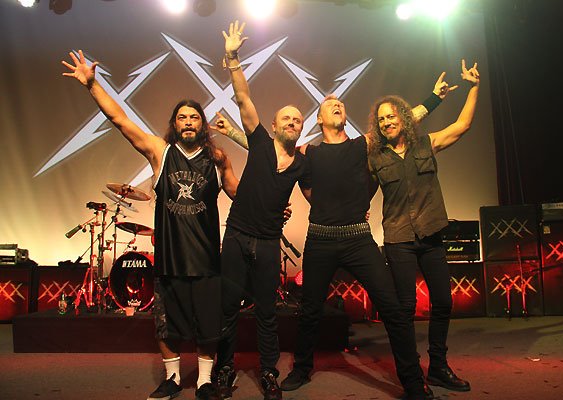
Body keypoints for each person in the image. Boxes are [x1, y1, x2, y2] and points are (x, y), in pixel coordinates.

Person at [62, 50, 238, 400]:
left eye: (194, 117)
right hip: (171, 260)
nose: (188, 122)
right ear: (174, 124)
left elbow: (240, 194)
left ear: (202, 124)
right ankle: (172, 378)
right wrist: (93, 85)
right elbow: (120, 121)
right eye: (182, 117)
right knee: (166, 325)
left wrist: (273, 207)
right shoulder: (160, 152)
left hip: (206, 261)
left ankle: (204, 382)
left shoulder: (217, 158)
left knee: (208, 326)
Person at [279, 78, 451, 399]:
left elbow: (407, 117)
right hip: (320, 239)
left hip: (358, 239)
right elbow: (275, 153)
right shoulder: (308, 153)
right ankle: (301, 369)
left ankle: (413, 381)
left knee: (393, 308)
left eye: (340, 104)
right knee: (310, 310)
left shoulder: (363, 145)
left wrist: (434, 98)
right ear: (319, 119)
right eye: (330, 104)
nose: (337, 104)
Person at [210, 21, 311, 400]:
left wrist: (353, 210)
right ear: (273, 125)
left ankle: (269, 372)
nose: (292, 122)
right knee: (228, 309)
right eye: (286, 118)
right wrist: (233, 57)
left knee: (267, 313)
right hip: (237, 237)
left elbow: (319, 194)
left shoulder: (302, 164)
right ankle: (223, 370)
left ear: (302, 128)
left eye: (298, 120)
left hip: (268, 243)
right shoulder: (260, 143)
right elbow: (243, 99)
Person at [367, 59, 480, 395]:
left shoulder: (425, 144)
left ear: (404, 118)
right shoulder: (374, 157)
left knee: (443, 302)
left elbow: (462, 125)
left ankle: (439, 366)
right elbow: (356, 189)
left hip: (430, 235)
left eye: (392, 116)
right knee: (404, 309)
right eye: (381, 118)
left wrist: (474, 88)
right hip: (399, 239)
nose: (387, 121)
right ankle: (412, 373)